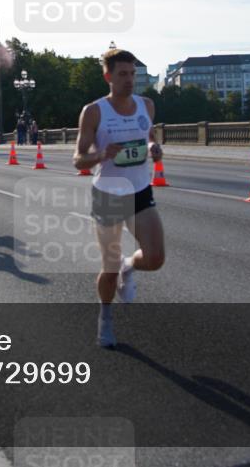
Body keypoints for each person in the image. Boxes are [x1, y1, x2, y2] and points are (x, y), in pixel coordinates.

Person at [74, 48, 166, 348]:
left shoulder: (146, 105)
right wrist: (102, 154)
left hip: (140, 191)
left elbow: (149, 133)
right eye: (123, 74)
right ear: (108, 77)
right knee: (108, 267)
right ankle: (105, 316)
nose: (129, 80)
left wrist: (154, 147)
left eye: (133, 74)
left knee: (155, 258)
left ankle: (131, 266)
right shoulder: (95, 111)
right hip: (108, 195)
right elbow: (78, 160)